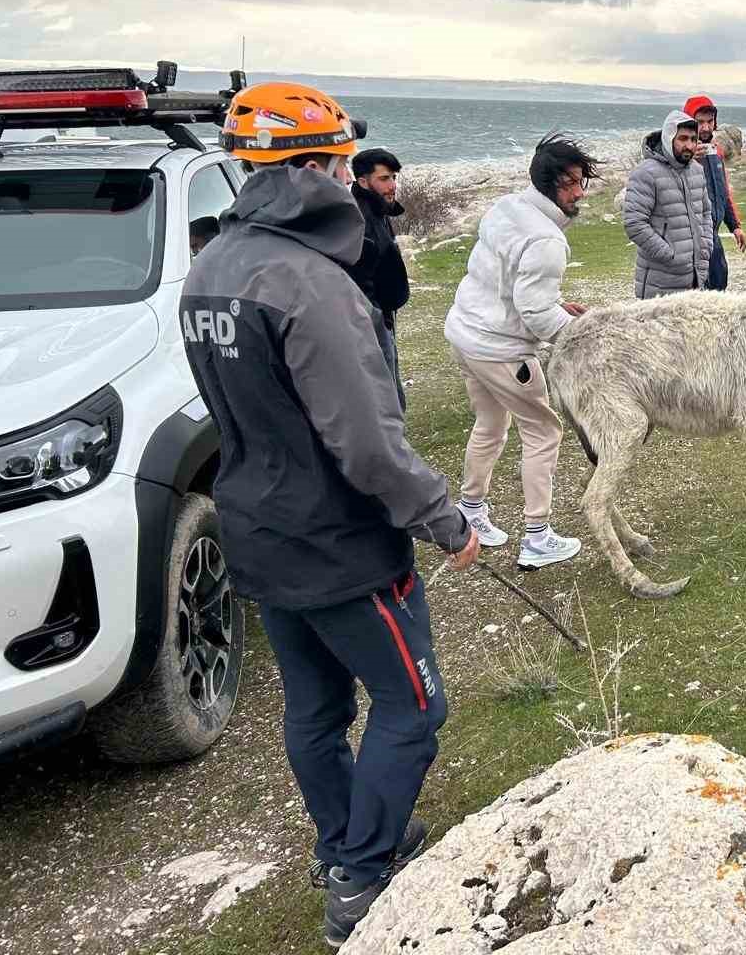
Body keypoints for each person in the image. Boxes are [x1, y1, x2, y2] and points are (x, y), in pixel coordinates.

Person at [180, 81, 477, 949]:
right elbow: (368, 442)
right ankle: (360, 876)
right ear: (311, 167)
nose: (350, 173)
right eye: (341, 159)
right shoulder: (313, 285)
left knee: (314, 709)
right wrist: (443, 517)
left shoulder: (210, 269)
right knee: (412, 707)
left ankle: (345, 838)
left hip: (255, 526)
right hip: (338, 542)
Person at [444, 133, 597, 569]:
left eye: (582, 181)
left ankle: (470, 512)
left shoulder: (507, 206)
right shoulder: (547, 240)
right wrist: (581, 330)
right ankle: (537, 537)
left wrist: (553, 305)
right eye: (573, 183)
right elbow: (534, 314)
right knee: (543, 431)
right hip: (501, 349)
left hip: (466, 334)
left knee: (490, 422)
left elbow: (509, 282)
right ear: (552, 183)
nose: (580, 192)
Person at [623, 109, 712, 298]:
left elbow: (705, 212)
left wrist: (706, 246)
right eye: (683, 139)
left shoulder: (697, 170)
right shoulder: (646, 173)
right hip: (659, 284)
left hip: (695, 280)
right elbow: (634, 223)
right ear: (669, 137)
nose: (689, 145)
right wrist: (671, 255)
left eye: (693, 139)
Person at [347, 147, 411, 407]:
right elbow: (358, 277)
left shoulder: (378, 209)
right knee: (385, 393)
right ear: (363, 181)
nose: (392, 185)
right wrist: (377, 317)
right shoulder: (359, 218)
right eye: (384, 179)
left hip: (383, 313)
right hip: (371, 318)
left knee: (390, 383)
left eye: (394, 177)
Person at [684, 94, 746, 289]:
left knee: (720, 282)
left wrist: (735, 226)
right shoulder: (680, 155)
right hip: (690, 237)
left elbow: (724, 192)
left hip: (713, 233)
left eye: (710, 121)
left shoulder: (716, 152)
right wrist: (687, 158)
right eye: (699, 122)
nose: (706, 127)